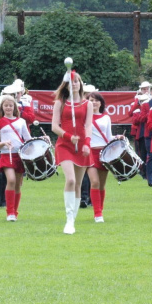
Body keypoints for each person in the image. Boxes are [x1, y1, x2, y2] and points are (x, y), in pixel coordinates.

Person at [52, 70, 93, 234]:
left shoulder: (87, 104)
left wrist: (87, 143)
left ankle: (73, 220)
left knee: (78, 183)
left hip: (82, 145)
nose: (74, 83)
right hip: (65, 144)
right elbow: (55, 126)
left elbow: (88, 125)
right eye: (71, 81)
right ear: (66, 85)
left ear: (80, 83)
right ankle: (69, 219)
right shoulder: (60, 103)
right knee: (70, 180)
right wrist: (68, 136)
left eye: (77, 81)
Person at [0, 95, 32, 221]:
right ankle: (9, 212)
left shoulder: (21, 122)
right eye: (6, 106)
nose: (8, 108)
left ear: (15, 107)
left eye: (10, 105)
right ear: (2, 108)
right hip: (6, 155)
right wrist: (4, 143)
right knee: (11, 180)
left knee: (18, 185)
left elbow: (28, 139)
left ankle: (15, 212)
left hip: (19, 156)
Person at [87, 92, 115, 222]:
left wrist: (117, 138)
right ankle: (97, 213)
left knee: (102, 185)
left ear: (101, 102)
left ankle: (100, 210)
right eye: (91, 100)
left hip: (104, 153)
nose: (94, 102)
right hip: (90, 152)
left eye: (96, 100)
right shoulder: (84, 118)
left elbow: (109, 136)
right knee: (95, 182)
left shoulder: (106, 118)